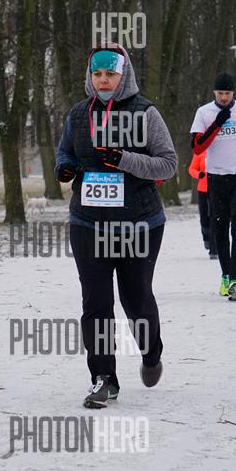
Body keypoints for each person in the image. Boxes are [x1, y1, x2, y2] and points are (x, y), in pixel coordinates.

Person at [54, 43, 177, 408]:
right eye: (97, 74)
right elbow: (65, 151)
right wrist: (64, 168)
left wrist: (125, 159)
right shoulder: (78, 114)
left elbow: (168, 163)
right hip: (88, 223)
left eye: (110, 73)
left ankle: (151, 353)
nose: (103, 80)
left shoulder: (146, 113)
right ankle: (104, 379)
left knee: (135, 299)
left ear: (124, 75)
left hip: (139, 224)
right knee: (96, 302)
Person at [190, 72, 236, 301]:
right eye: (220, 93)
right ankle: (225, 275)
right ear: (214, 92)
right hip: (216, 176)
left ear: (233, 93)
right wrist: (217, 124)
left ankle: (235, 281)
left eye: (227, 93)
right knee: (220, 229)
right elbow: (198, 147)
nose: (223, 97)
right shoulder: (204, 113)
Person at [188, 150, 218, 259]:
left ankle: (214, 249)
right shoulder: (200, 152)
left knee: (215, 218)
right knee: (204, 219)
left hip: (217, 190)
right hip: (203, 190)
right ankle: (207, 237)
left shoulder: (220, 150)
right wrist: (198, 174)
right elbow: (191, 169)